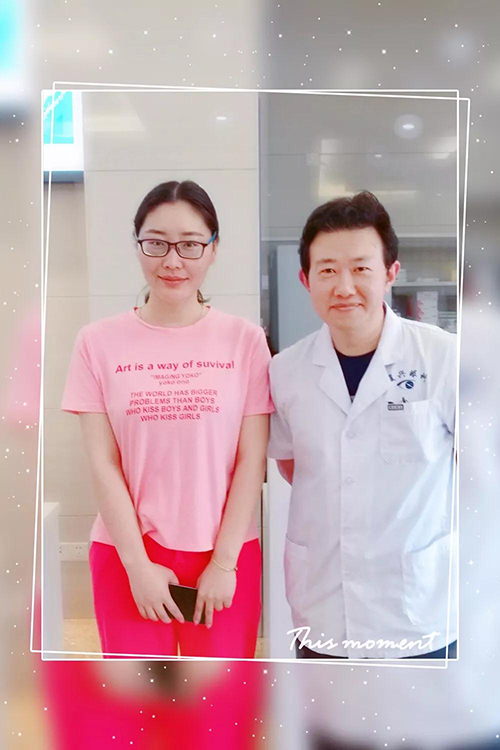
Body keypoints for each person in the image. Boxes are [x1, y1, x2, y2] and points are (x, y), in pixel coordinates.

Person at [61, 180, 273, 658]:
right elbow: (103, 463)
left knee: (220, 700)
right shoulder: (97, 342)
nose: (172, 261)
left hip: (225, 554)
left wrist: (224, 563)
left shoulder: (245, 341)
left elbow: (251, 458)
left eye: (190, 244)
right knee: (140, 700)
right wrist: (137, 566)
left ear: (213, 248)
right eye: (156, 243)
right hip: (126, 552)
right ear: (138, 245)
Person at [268, 191, 457, 660]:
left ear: (391, 273)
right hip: (324, 607)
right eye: (327, 270)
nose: (344, 286)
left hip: (418, 606)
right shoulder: (285, 370)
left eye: (361, 268)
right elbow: (293, 465)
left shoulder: (444, 358)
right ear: (305, 279)